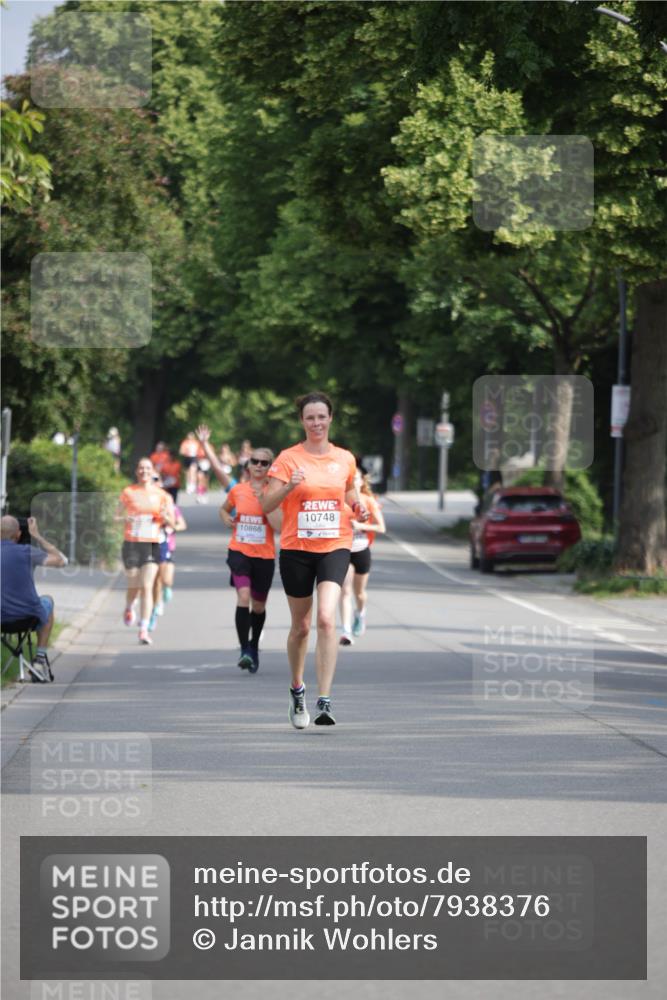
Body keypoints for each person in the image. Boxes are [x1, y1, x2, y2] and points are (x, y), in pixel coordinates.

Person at [261, 391, 367, 729]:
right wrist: (288, 487)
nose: (316, 423)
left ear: (330, 418)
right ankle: (297, 689)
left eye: (321, 417)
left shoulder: (344, 459)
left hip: (335, 544)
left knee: (325, 619)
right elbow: (266, 505)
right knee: (301, 626)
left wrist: (358, 505)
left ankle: (324, 699)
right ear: (302, 421)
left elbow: (349, 494)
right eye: (310, 418)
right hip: (296, 549)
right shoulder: (288, 459)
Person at [220, 448, 281, 673]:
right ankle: (244, 649)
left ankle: (254, 646)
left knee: (259, 606)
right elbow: (224, 509)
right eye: (254, 461)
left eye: (264, 463)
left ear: (269, 468)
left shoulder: (275, 493)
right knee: (243, 596)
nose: (258, 465)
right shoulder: (238, 490)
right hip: (239, 551)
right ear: (248, 465)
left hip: (264, 556)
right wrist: (226, 517)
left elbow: (279, 526)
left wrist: (265, 500)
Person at [1, 515, 68, 679]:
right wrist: (37, 535)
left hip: (1, 618)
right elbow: (62, 561)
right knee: (48, 601)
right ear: (18, 534)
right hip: (29, 617)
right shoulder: (27, 552)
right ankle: (39, 659)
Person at [117, 458, 175, 645]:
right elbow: (116, 516)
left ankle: (143, 628)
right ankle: (129, 606)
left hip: (152, 543)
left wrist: (166, 518)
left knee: (147, 586)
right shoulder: (128, 492)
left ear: (152, 471)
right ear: (137, 471)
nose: (144, 471)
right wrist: (126, 518)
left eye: (147, 468)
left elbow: (174, 523)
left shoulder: (163, 495)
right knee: (133, 585)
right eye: (141, 468)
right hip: (132, 543)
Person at [339, 466, 386, 645]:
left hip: (361, 550)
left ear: (361, 481)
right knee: (345, 591)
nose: (353, 482)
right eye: (349, 479)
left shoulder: (368, 500)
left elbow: (382, 527)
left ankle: (360, 614)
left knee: (359, 593)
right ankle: (346, 631)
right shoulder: (340, 501)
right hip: (343, 550)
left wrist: (362, 527)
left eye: (356, 478)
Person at [150, 502, 187, 630]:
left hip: (169, 548)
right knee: (157, 580)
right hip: (155, 548)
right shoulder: (150, 508)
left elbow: (182, 525)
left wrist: (172, 525)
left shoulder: (173, 508)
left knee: (167, 580)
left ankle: (167, 588)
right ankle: (157, 604)